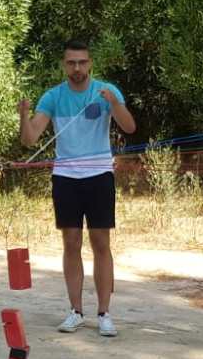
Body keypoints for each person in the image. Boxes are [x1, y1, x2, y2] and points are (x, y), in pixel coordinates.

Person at [17, 39, 136, 337]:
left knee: (101, 244)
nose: (77, 68)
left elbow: (130, 127)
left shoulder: (106, 90)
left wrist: (115, 104)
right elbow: (30, 139)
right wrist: (24, 114)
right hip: (66, 177)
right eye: (71, 63)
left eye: (82, 62)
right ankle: (75, 311)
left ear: (90, 63)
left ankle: (104, 313)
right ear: (64, 65)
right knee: (71, 243)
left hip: (99, 176)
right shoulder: (53, 97)